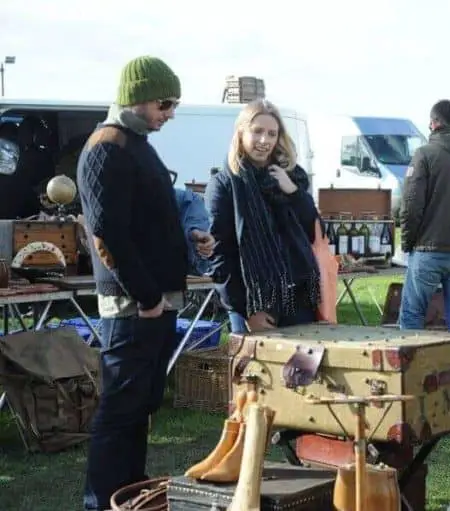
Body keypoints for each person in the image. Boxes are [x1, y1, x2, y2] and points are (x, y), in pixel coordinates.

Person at [76, 55, 190, 510]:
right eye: (164, 103)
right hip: (133, 305)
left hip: (153, 303)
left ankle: (132, 493)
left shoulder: (136, 143)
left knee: (140, 407)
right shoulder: (108, 145)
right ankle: (102, 501)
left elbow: (148, 219)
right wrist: (146, 297)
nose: (169, 113)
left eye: (174, 104)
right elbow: (108, 232)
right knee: (121, 410)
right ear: (136, 96)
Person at [206, 99, 321, 334]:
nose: (264, 141)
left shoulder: (292, 177)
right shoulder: (224, 185)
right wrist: (246, 311)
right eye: (257, 132)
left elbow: (315, 230)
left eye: (272, 134)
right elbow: (220, 255)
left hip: (298, 299)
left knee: (305, 369)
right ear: (241, 132)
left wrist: (293, 192)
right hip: (253, 305)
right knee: (256, 371)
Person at [398, 99, 450, 331]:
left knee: (413, 316)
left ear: (433, 123)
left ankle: (410, 367)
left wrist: (407, 244)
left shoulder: (424, 154)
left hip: (428, 249)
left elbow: (411, 205)